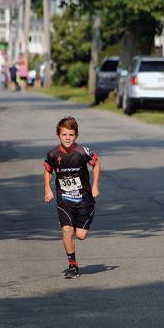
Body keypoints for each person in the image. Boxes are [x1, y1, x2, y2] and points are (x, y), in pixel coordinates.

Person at [43, 117, 101, 279]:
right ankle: (73, 266)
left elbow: (96, 163)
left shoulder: (82, 152)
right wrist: (47, 188)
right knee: (66, 230)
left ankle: (78, 223)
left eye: (71, 135)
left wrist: (95, 185)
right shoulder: (53, 154)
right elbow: (48, 170)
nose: (67, 138)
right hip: (64, 199)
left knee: (81, 235)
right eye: (64, 135)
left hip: (84, 200)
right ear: (58, 135)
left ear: (76, 136)